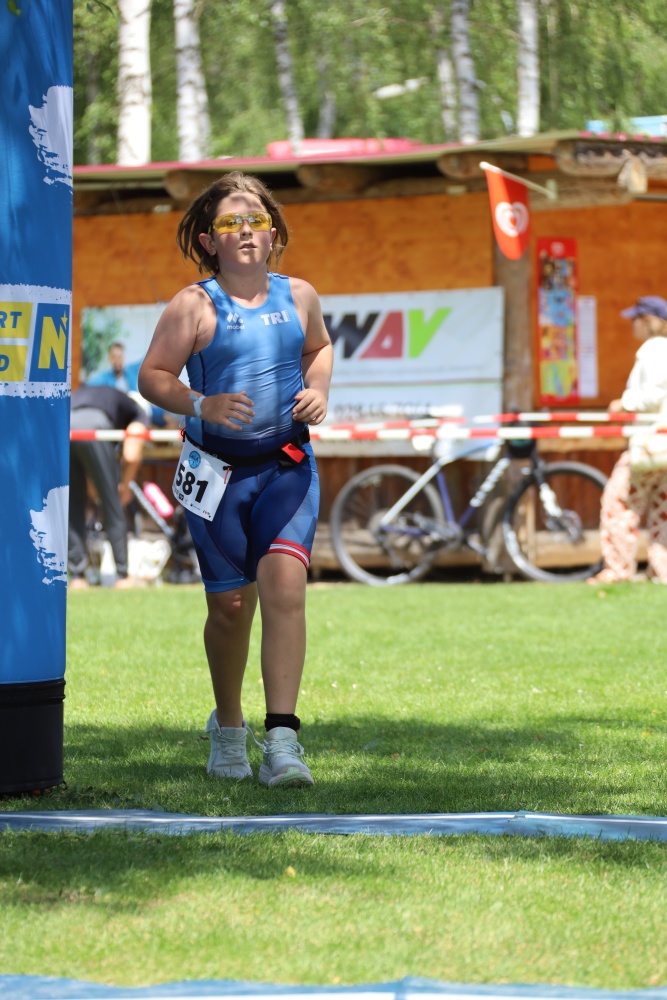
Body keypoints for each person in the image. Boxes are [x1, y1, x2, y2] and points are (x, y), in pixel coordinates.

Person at [138, 171, 333, 788]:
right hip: (215, 476)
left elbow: (319, 347)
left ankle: (282, 742)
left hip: (286, 467)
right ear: (208, 239)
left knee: (285, 589)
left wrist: (318, 388)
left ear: (273, 234)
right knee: (229, 607)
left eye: (256, 220)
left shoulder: (300, 295)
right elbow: (153, 376)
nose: (246, 231)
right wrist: (203, 404)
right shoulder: (193, 305)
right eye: (230, 222)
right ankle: (228, 728)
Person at [589, 296, 667, 583]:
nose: (631, 325)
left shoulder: (653, 349)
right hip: (662, 442)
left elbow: (655, 393)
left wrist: (623, 403)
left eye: (635, 319)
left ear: (648, 322)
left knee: (617, 504)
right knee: (662, 510)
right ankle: (661, 571)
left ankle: (618, 569)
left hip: (650, 443)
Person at [69, 384, 150, 589]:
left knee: (73, 504)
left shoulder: (99, 393)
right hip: (95, 427)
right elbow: (131, 456)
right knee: (112, 504)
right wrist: (124, 487)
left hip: (66, 425)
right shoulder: (137, 411)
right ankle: (123, 576)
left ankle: (77, 576)